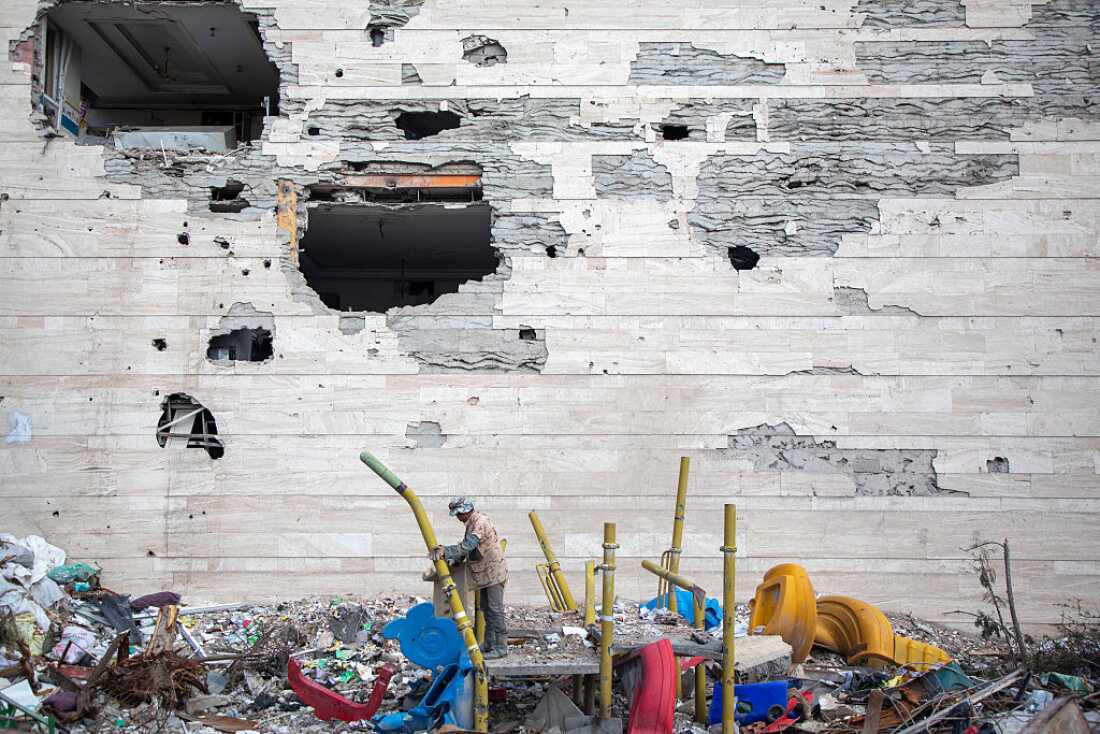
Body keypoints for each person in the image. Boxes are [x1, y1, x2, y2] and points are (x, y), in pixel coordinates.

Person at [431, 496, 509, 659]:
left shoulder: (480, 522)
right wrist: (455, 558)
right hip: (484, 574)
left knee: (495, 609)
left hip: (493, 572)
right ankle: (488, 643)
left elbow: (468, 545)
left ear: (466, 511)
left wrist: (448, 551)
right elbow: (469, 548)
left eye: (459, 514)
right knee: (486, 609)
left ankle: (501, 646)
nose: (458, 518)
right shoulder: (471, 523)